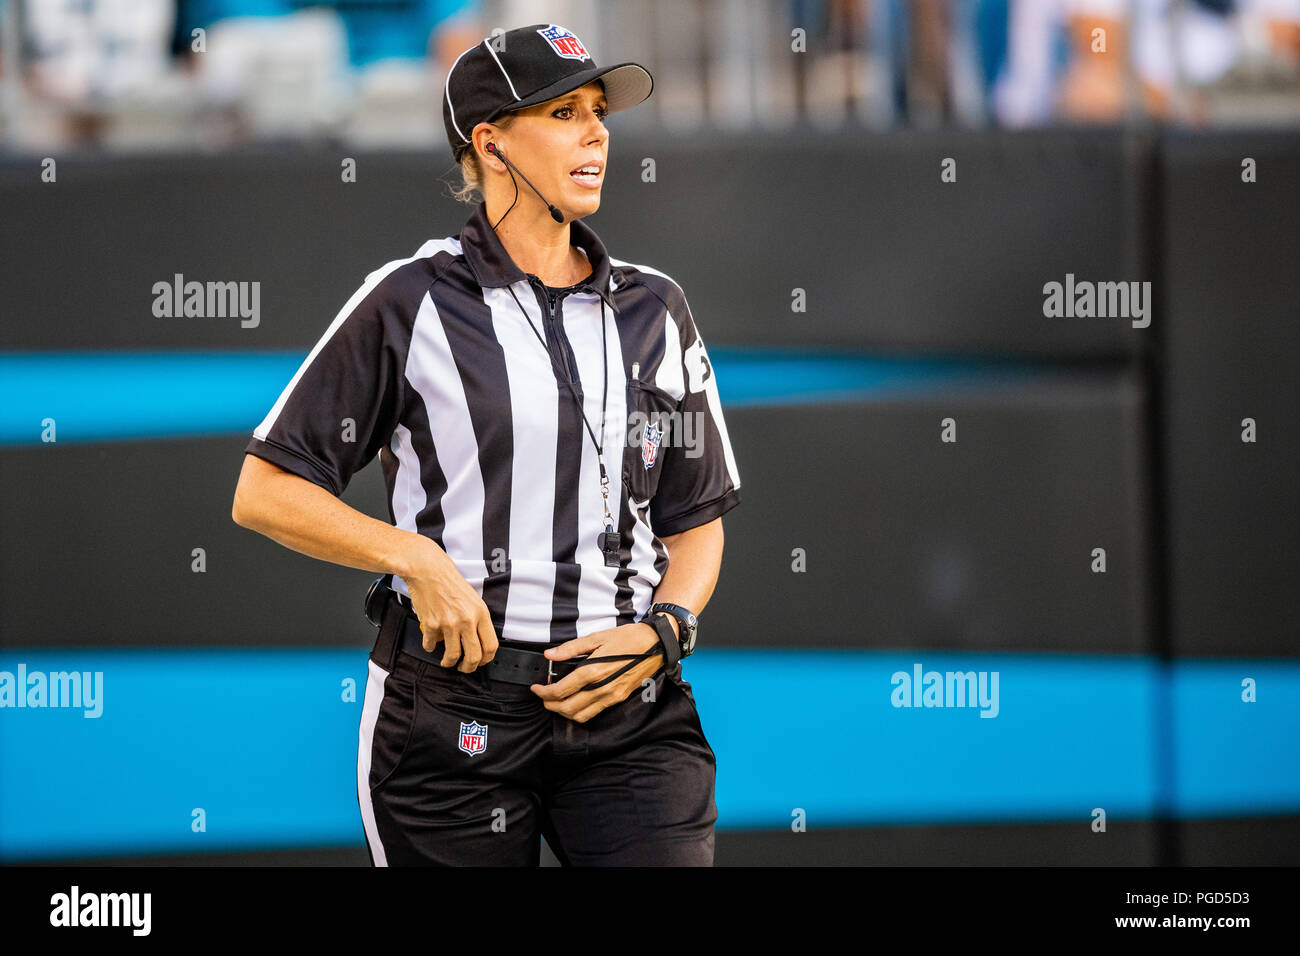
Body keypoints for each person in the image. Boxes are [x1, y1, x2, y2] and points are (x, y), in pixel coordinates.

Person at [231, 23, 742, 866]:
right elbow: (265, 488)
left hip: (629, 715)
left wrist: (669, 627)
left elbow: (696, 519)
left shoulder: (658, 309)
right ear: (491, 141)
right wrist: (416, 561)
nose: (597, 132)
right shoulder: (410, 299)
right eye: (565, 112)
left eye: (600, 113)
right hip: (453, 718)